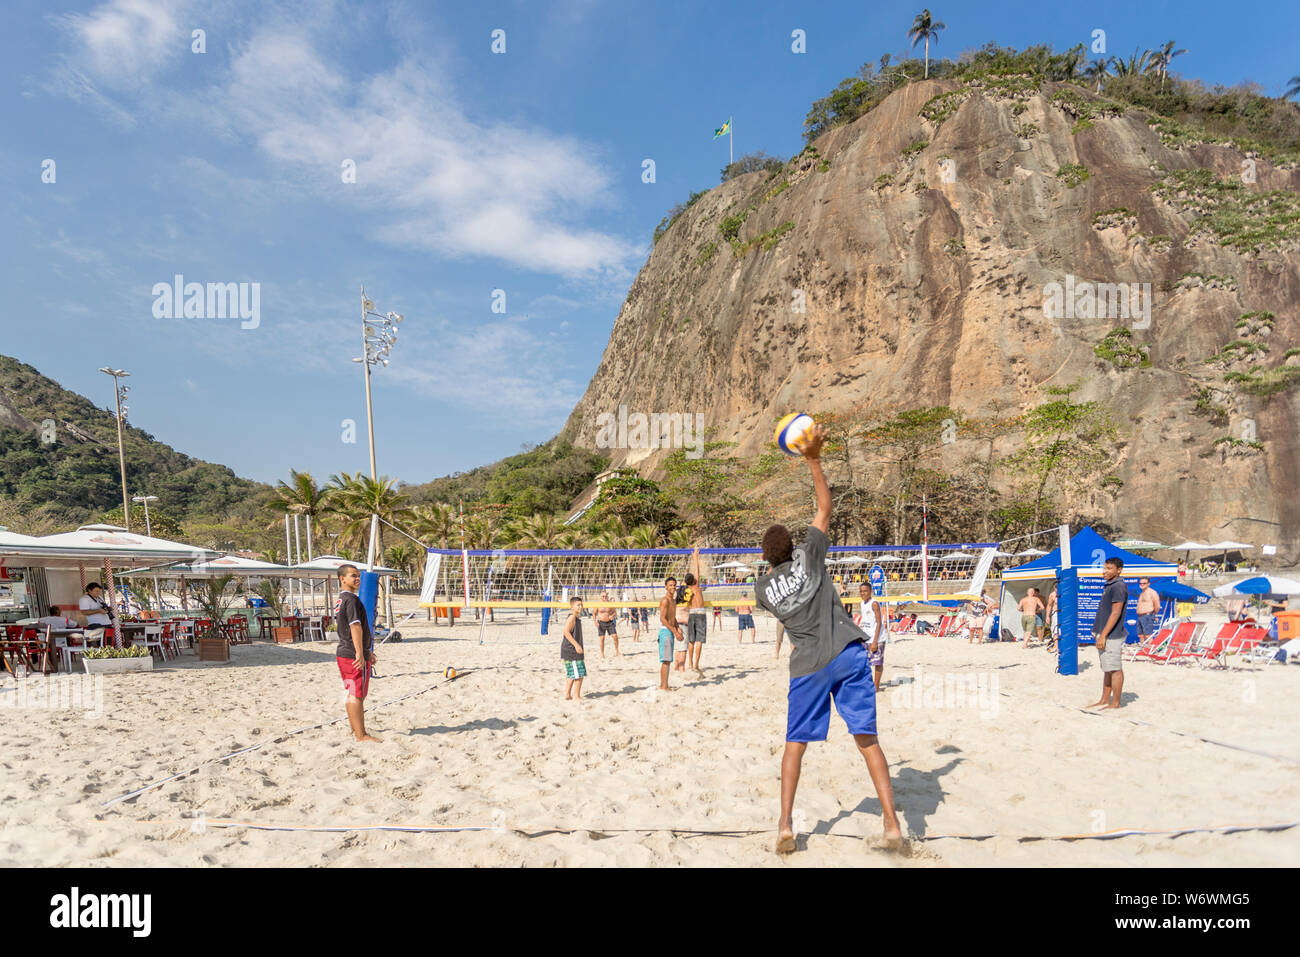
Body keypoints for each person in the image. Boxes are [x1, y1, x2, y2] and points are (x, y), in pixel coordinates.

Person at [754, 423, 902, 855]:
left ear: (766, 559)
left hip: (809, 666)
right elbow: (824, 507)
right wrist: (813, 458)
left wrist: (773, 566)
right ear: (794, 549)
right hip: (848, 651)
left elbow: (772, 580)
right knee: (867, 740)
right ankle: (892, 825)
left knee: (795, 746)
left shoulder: (764, 591)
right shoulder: (811, 555)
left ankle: (784, 826)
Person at [335, 563, 380, 743]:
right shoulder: (351, 600)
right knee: (357, 695)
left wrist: (367, 653)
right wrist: (360, 653)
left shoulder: (342, 599)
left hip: (344, 652)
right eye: (352, 575)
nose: (357, 578)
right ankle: (361, 735)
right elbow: (355, 627)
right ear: (342, 579)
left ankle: (355, 729)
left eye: (358, 575)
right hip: (352, 653)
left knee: (352, 692)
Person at [1088, 557, 1129, 710]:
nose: (1105, 571)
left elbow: (1116, 612)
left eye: (1109, 568)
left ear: (1118, 570)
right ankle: (1104, 700)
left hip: (1112, 635)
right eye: (1104, 568)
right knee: (1107, 668)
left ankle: (1116, 703)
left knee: (1115, 668)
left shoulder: (1118, 586)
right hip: (1103, 633)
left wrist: (1104, 635)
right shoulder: (1110, 585)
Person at [854, 582, 886, 687]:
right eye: (861, 591)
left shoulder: (874, 603)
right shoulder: (862, 603)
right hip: (866, 637)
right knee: (864, 662)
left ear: (871, 591)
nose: (863, 593)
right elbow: (865, 620)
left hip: (877, 638)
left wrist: (875, 641)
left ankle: (876, 686)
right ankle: (868, 684)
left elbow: (879, 623)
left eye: (865, 591)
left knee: (878, 662)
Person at [658, 577, 683, 691]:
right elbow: (662, 619)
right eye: (671, 585)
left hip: (671, 631)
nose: (673, 587)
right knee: (666, 660)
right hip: (665, 631)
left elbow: (672, 617)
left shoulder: (673, 600)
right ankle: (664, 686)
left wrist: (678, 628)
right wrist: (674, 631)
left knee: (668, 660)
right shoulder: (665, 600)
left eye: (674, 585)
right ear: (666, 587)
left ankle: (664, 685)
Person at [685, 549, 707, 674]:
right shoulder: (697, 587)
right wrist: (695, 557)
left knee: (691, 640)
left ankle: (690, 664)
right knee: (699, 641)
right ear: (693, 580)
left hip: (692, 613)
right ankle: (696, 665)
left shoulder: (686, 589)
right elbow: (697, 571)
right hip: (700, 613)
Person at [561, 597, 586, 700]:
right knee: (579, 674)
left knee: (572, 673)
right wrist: (576, 645)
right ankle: (576, 696)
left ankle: (567, 694)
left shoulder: (576, 618)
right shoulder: (572, 618)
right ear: (572, 607)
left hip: (570, 650)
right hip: (571, 650)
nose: (580, 607)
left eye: (581, 605)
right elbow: (566, 632)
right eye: (578, 605)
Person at [593, 591, 620, 657]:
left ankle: (617, 651)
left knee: (615, 637)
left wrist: (612, 616)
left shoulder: (610, 604)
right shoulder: (598, 604)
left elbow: (614, 612)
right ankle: (602, 654)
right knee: (602, 638)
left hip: (609, 623)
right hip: (601, 623)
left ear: (607, 596)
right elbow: (594, 614)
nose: (604, 597)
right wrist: (595, 622)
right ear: (601, 597)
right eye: (603, 596)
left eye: (605, 596)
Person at [1135, 578, 1160, 644]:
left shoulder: (1152, 592)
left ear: (1148, 584)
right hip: (1140, 616)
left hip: (1148, 615)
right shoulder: (1142, 593)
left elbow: (1157, 605)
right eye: (1140, 583)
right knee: (1141, 635)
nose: (1142, 585)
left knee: (1148, 635)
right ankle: (1143, 650)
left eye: (1144, 583)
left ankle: (1149, 650)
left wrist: (1153, 614)